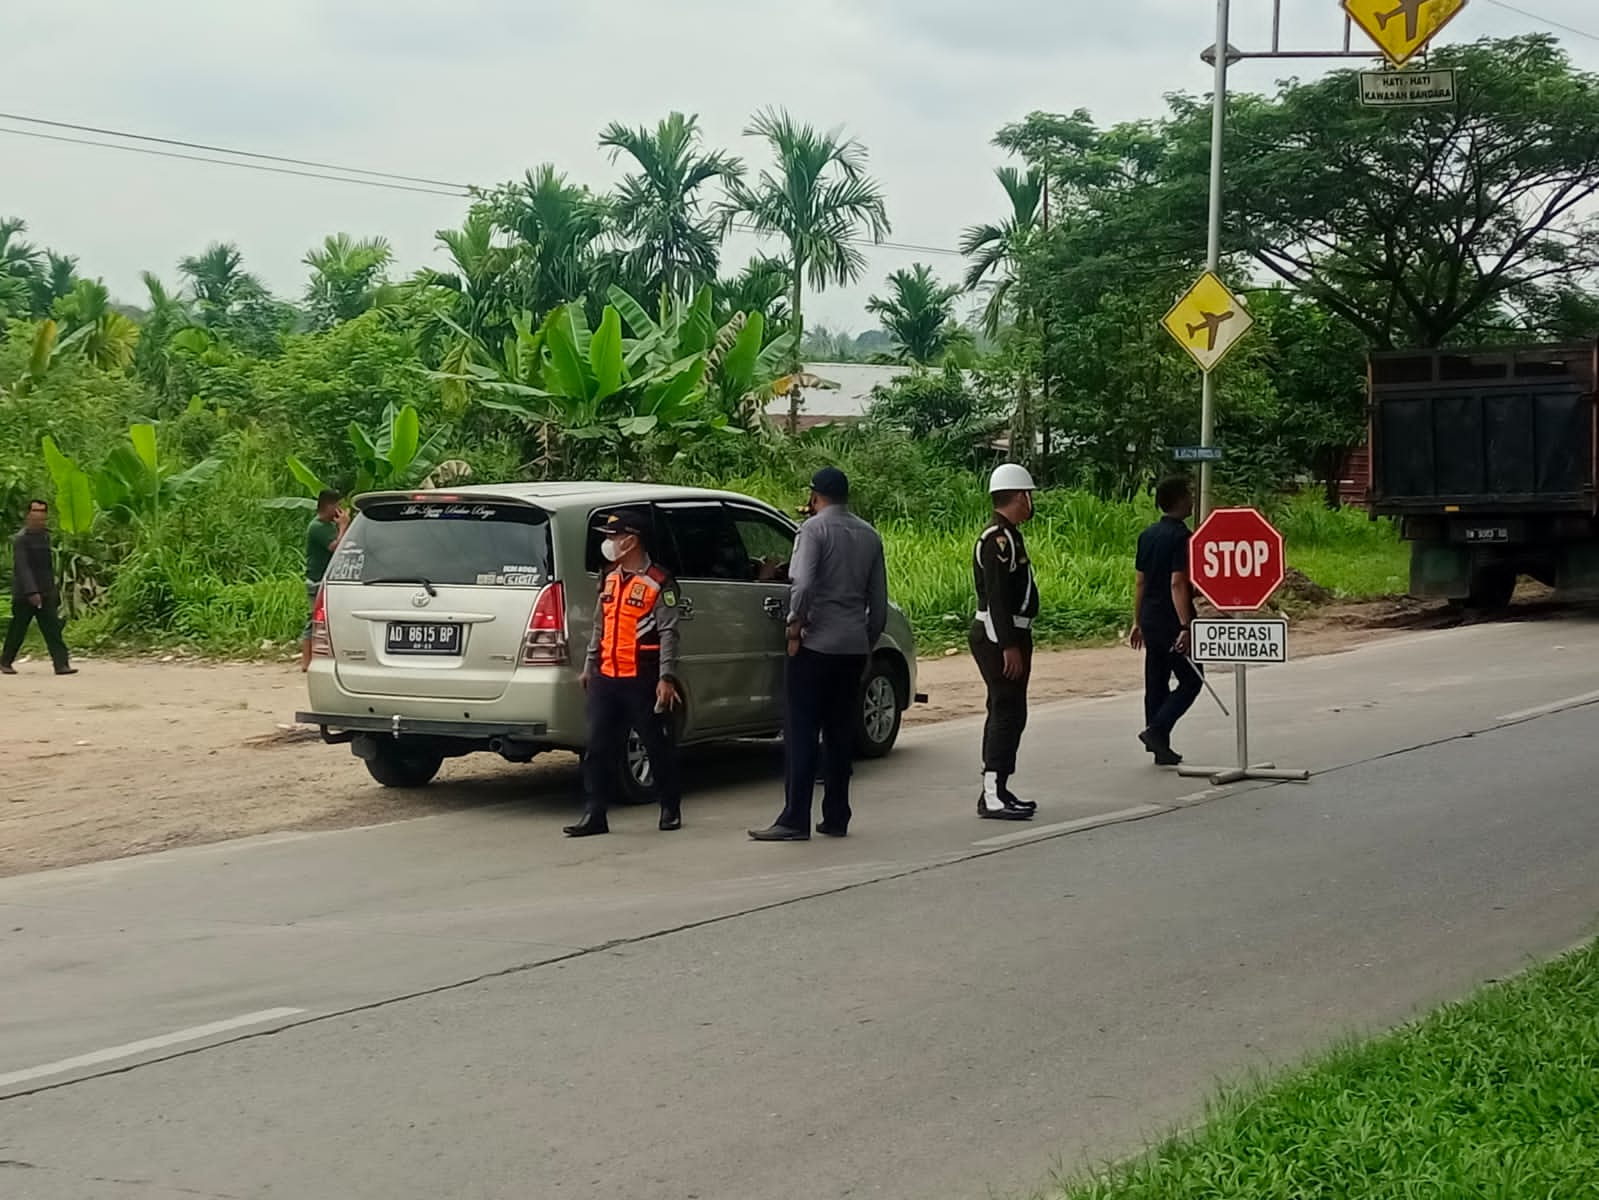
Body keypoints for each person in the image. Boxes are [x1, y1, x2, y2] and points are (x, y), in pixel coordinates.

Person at [750, 467, 888, 842]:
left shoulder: (812, 530)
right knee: (840, 732)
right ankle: (837, 815)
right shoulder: (869, 535)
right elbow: (878, 603)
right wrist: (867, 642)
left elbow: (804, 583)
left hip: (815, 646)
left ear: (815, 496)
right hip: (851, 647)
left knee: (801, 731)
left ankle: (795, 818)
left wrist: (795, 626)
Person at [565, 510, 683, 838]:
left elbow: (669, 633)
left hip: (642, 676)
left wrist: (666, 677)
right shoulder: (610, 577)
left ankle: (669, 805)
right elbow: (599, 627)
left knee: (654, 743)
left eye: (614, 537)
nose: (609, 543)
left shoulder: (659, 582)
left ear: (631, 540)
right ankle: (595, 812)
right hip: (607, 675)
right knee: (598, 746)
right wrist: (590, 666)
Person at [970, 464, 1041, 820]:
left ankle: (999, 786)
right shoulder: (995, 539)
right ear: (1019, 496)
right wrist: (1008, 646)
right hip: (999, 637)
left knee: (1011, 711)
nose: (1031, 502)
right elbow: (996, 597)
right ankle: (991, 792)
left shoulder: (1010, 535)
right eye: (1029, 495)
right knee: (1006, 710)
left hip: (1012, 632)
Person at [1131, 477, 1203, 766]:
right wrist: (1185, 626)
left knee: (1156, 681)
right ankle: (1158, 731)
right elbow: (1177, 584)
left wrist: (1137, 621)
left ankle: (1160, 747)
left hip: (1149, 617)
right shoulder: (1183, 538)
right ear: (1179, 500)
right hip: (1173, 621)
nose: (1192, 499)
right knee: (1192, 680)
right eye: (1189, 494)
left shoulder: (1147, 535)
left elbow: (1140, 582)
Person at [2, 499, 76, 676]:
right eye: (35, 510)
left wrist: (51, 590)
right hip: (25, 594)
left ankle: (61, 664)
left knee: (52, 629)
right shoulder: (21, 539)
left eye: (42, 511)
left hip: (45, 592)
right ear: (28, 514)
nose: (39, 514)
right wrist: (31, 591)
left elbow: (47, 567)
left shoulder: (45, 536)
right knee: (18, 629)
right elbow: (23, 567)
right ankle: (5, 662)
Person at [301, 489, 348, 672]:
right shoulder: (318, 527)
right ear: (328, 506)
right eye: (336, 506)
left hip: (328, 579)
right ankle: (306, 660)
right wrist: (343, 526)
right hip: (317, 580)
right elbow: (336, 547)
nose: (339, 510)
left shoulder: (329, 525)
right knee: (313, 620)